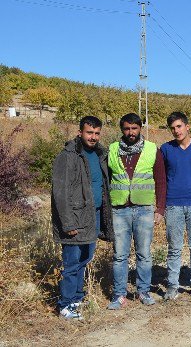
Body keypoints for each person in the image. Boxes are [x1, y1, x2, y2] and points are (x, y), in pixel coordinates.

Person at [51, 116, 114, 320]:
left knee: (85, 258)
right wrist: (67, 222)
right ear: (80, 132)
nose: (93, 137)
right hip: (75, 218)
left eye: (96, 133)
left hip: (93, 216)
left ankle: (77, 297)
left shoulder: (100, 155)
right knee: (71, 262)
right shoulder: (68, 156)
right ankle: (65, 305)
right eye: (89, 132)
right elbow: (59, 193)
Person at [107, 113, 166, 310]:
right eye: (126, 129)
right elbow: (108, 180)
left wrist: (160, 208)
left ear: (140, 128)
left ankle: (143, 291)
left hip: (144, 209)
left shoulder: (152, 150)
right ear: (121, 129)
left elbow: (161, 180)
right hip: (119, 210)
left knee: (144, 254)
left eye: (134, 128)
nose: (130, 132)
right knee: (120, 255)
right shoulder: (113, 150)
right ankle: (119, 294)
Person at [160, 112, 191, 300]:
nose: (176, 131)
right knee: (174, 247)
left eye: (179, 126)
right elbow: (162, 177)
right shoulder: (166, 149)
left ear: (187, 126)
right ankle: (172, 285)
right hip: (173, 204)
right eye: (172, 128)